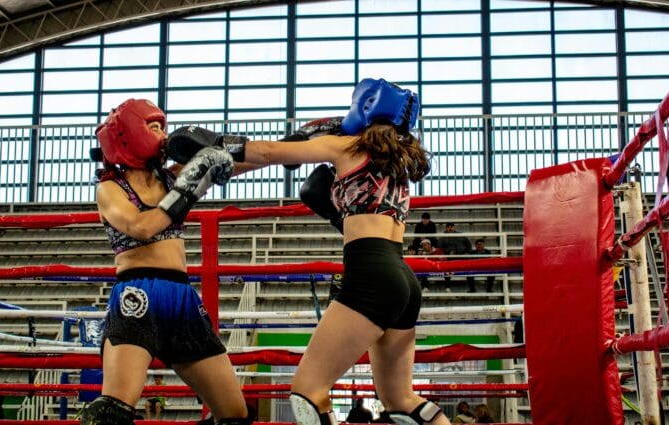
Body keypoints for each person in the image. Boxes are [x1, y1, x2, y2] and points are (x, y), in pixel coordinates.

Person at [165, 78, 450, 425]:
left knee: (308, 393)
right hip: (403, 279)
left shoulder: (346, 147)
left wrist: (215, 143)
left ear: (365, 107)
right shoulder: (398, 163)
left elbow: (270, 153)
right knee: (401, 400)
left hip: (371, 275)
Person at [78, 98, 251, 425]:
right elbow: (140, 228)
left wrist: (294, 147)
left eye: (163, 126)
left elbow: (236, 160)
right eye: (153, 126)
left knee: (235, 416)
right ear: (128, 134)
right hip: (138, 294)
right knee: (111, 413)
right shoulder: (111, 189)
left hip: (182, 297)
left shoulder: (171, 178)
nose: (162, 134)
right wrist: (189, 190)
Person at [438, 223, 471, 292]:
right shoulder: (442, 237)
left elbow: (468, 244)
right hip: (449, 257)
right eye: (448, 227)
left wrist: (467, 252)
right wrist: (448, 252)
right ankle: (447, 286)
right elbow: (440, 248)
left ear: (454, 227)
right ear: (446, 228)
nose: (450, 228)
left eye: (451, 227)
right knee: (446, 267)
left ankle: (471, 287)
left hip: (461, 255)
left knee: (469, 265)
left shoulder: (461, 235)